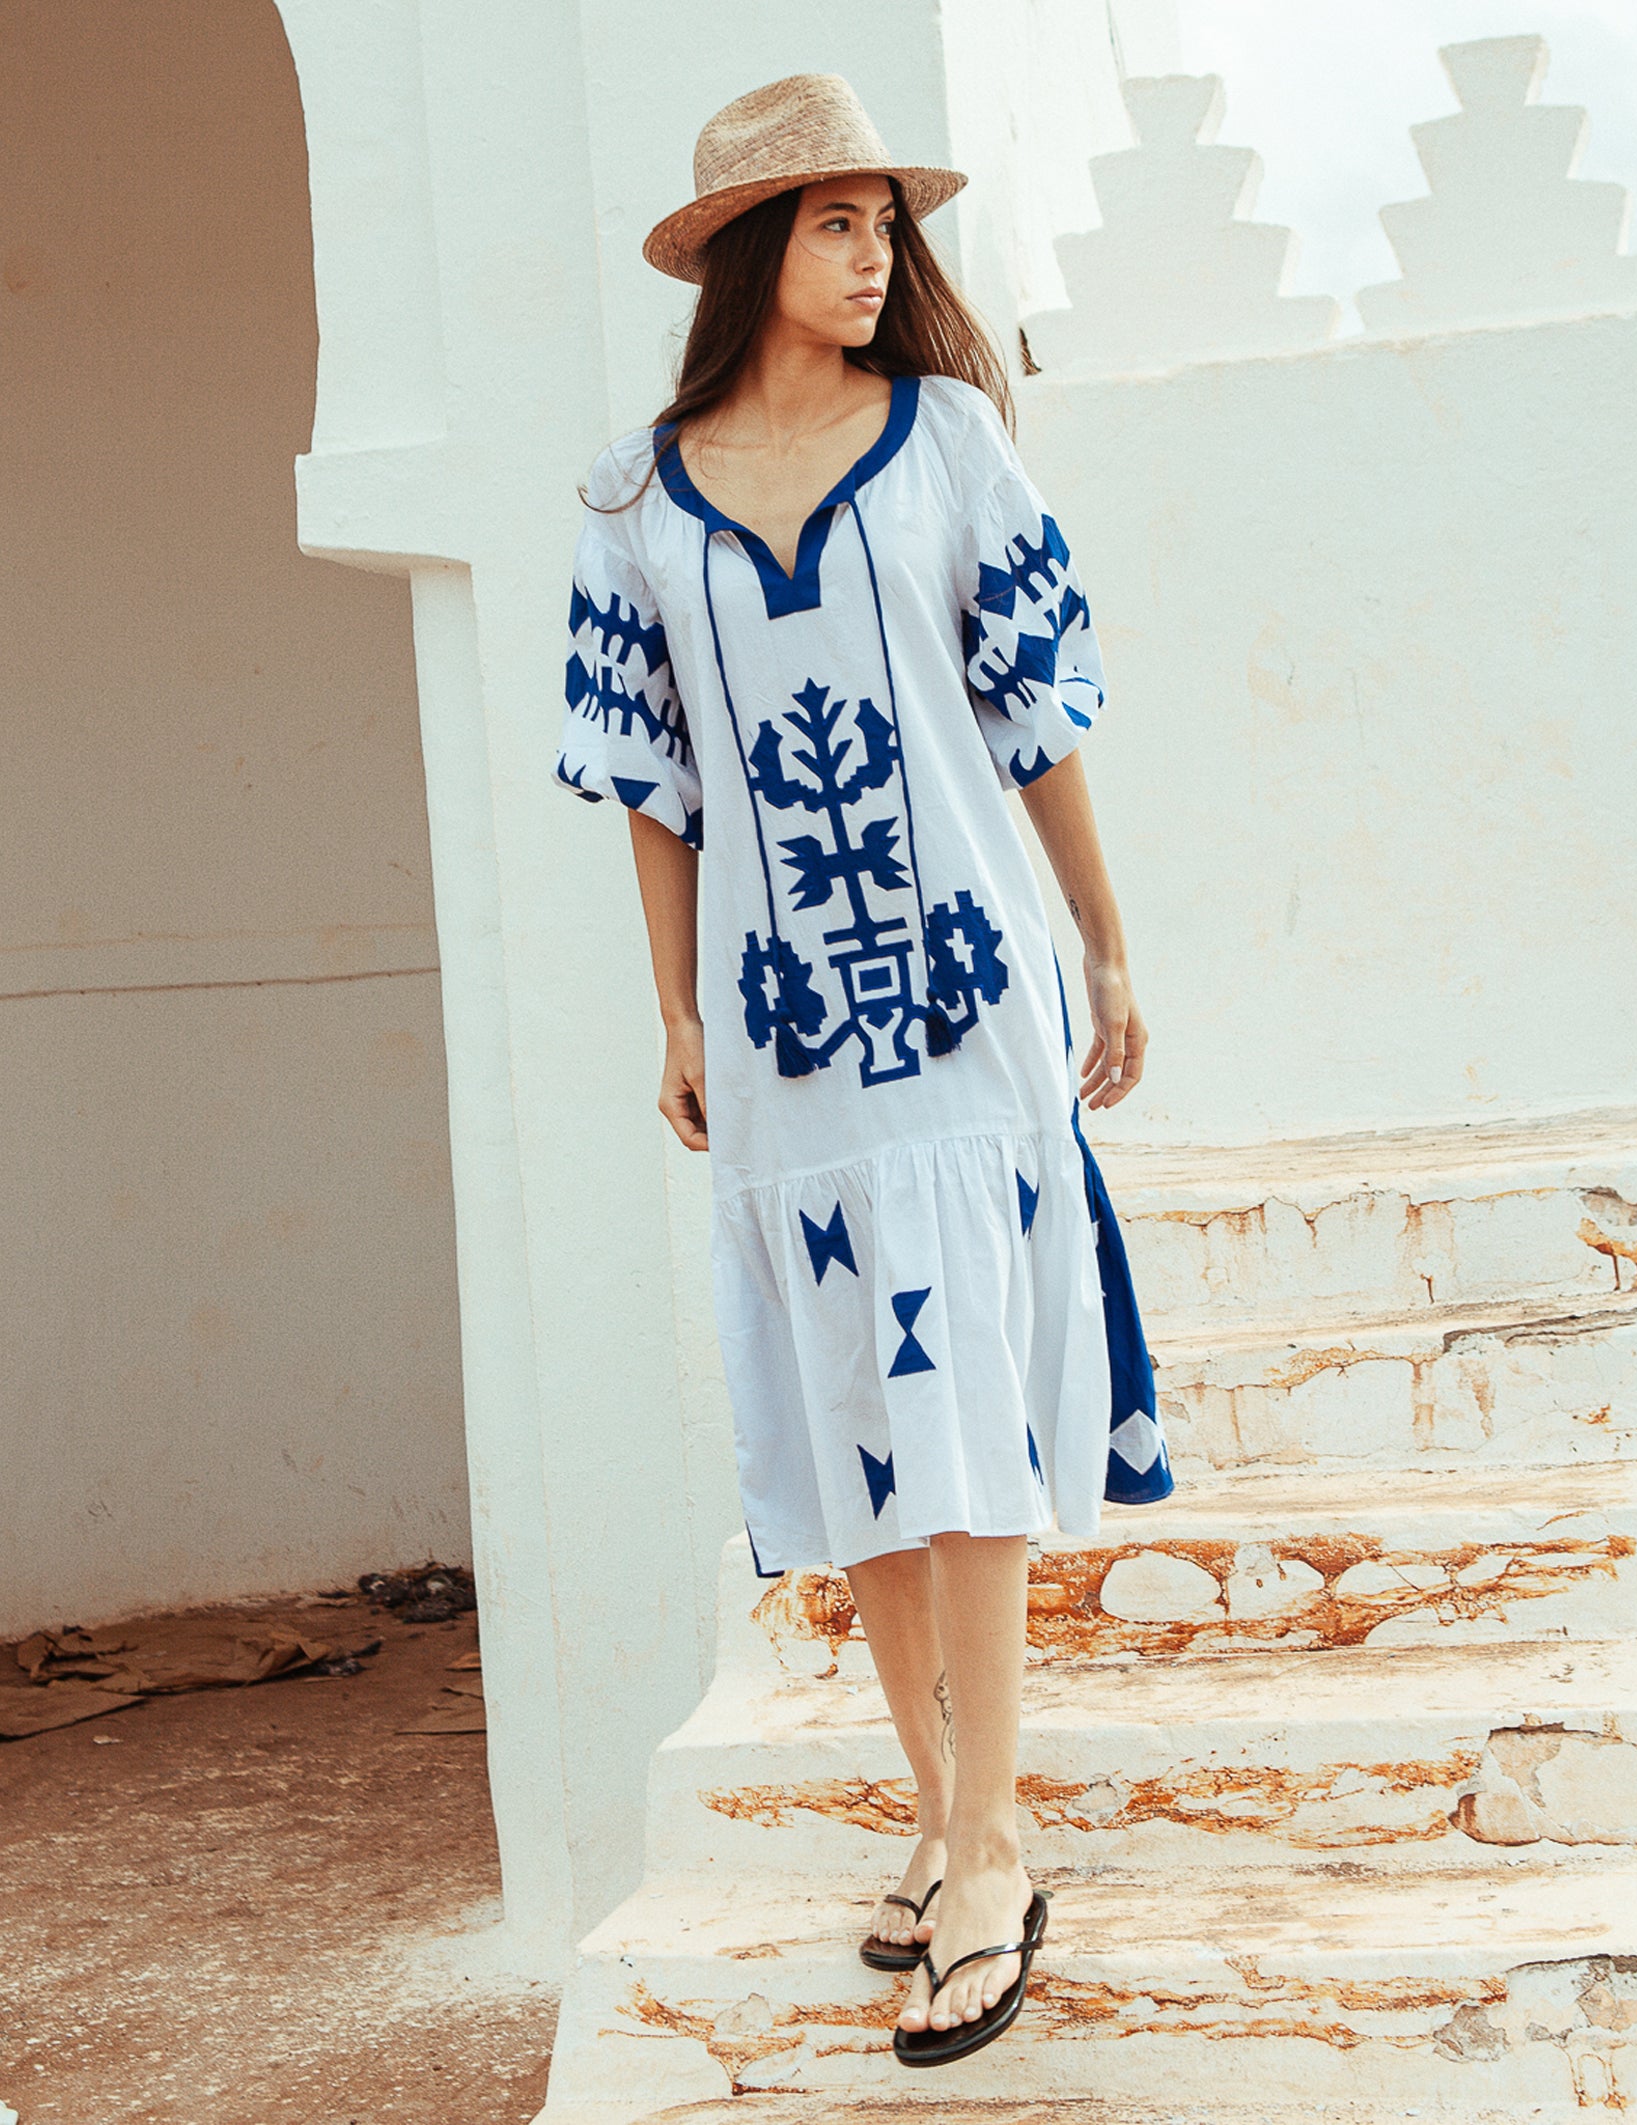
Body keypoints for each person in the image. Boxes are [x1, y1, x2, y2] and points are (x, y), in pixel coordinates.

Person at [552, 71, 1169, 2068]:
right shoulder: (633, 504)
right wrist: (667, 1010)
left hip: (963, 999)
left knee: (960, 1403)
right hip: (778, 1029)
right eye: (833, 225)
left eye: (884, 226)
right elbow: (645, 785)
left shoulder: (950, 443)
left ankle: (989, 1836)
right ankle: (928, 1800)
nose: (871, 255)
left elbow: (1034, 708)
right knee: (862, 1431)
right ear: (751, 250)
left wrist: (1103, 937)